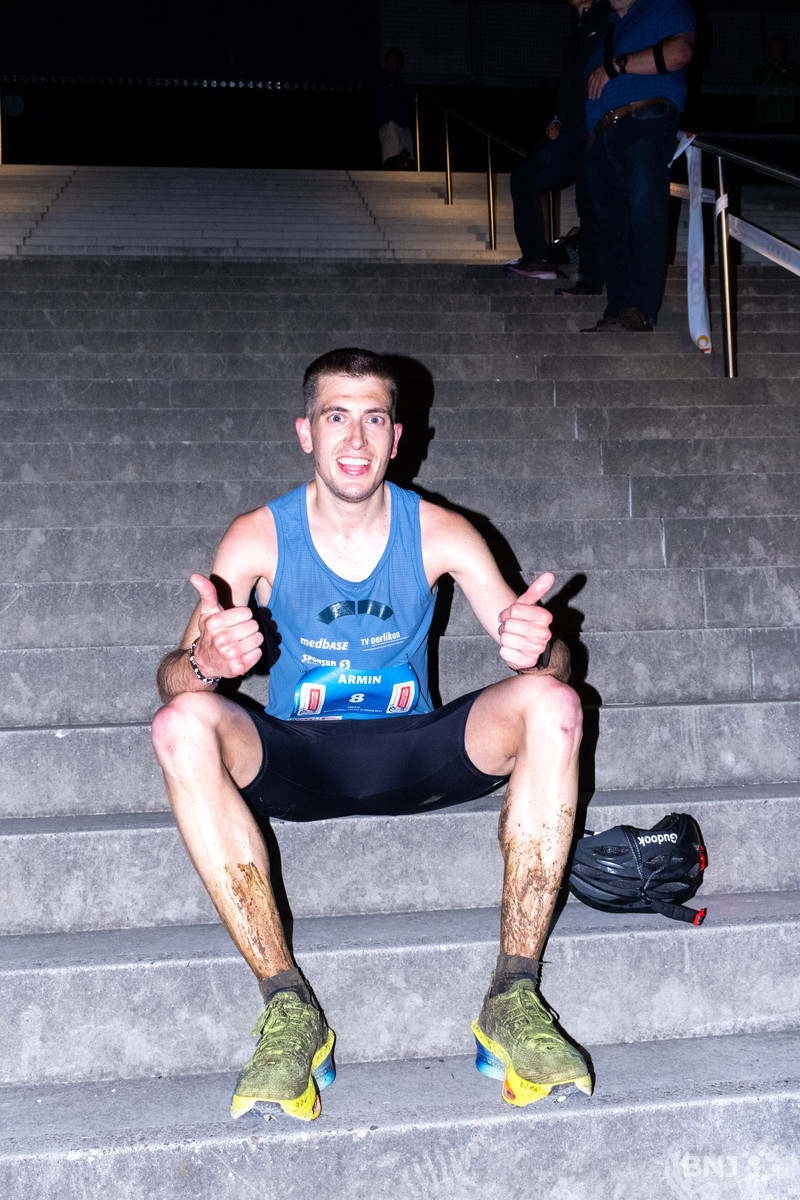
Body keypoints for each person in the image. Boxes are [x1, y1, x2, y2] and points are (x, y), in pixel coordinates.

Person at [151, 348, 590, 1122]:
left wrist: (542, 647)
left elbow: (545, 656)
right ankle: (288, 1007)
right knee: (180, 723)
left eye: (374, 419)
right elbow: (174, 680)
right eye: (336, 417)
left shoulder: (442, 531)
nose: (355, 439)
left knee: (554, 704)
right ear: (306, 433)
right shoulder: (257, 537)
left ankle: (513, 995)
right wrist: (205, 661)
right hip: (300, 756)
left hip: (416, 750)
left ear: (397, 438)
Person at [580, 0, 695, 332]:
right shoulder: (606, 30)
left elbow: (679, 53)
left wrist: (617, 65)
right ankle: (618, 308)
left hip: (645, 120)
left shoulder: (662, 6)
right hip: (602, 136)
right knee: (612, 226)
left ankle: (639, 308)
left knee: (644, 212)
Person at [505, 0, 609, 294]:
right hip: (568, 131)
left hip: (594, 127)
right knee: (525, 176)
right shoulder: (576, 30)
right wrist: (555, 119)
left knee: (589, 202)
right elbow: (568, 86)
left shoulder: (607, 17)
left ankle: (591, 280)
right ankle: (537, 258)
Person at [375, 48, 415, 170]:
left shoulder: (399, 81)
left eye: (398, 61)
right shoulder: (381, 78)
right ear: (386, 61)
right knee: (391, 156)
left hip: (402, 123)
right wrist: (386, 118)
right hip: (389, 122)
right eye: (393, 60)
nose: (396, 63)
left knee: (407, 156)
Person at [753, 37, 800, 132]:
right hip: (767, 119)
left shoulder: (791, 66)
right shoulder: (760, 69)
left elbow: (793, 82)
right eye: (775, 49)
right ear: (769, 51)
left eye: (780, 49)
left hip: (787, 119)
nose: (778, 52)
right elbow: (760, 86)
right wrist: (773, 68)